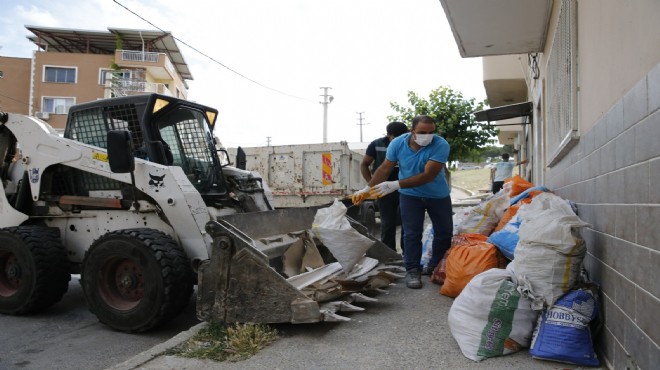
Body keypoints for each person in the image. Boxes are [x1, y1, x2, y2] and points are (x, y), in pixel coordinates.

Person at [352, 115, 453, 289]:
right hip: (410, 196)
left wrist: (395, 184)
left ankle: (436, 266)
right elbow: (384, 168)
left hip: (438, 195)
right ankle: (413, 270)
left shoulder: (441, 144)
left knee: (444, 232)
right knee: (411, 234)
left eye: (431, 132)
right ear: (412, 131)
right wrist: (367, 189)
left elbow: (428, 175)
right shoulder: (397, 143)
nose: (427, 136)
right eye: (422, 132)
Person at [359, 121, 409, 253]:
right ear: (389, 135)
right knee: (387, 223)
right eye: (396, 137)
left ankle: (407, 252)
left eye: (403, 136)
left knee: (408, 223)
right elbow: (364, 164)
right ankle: (390, 253)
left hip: (405, 188)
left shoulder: (409, 143)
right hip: (383, 190)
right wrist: (371, 185)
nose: (400, 139)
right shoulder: (377, 145)